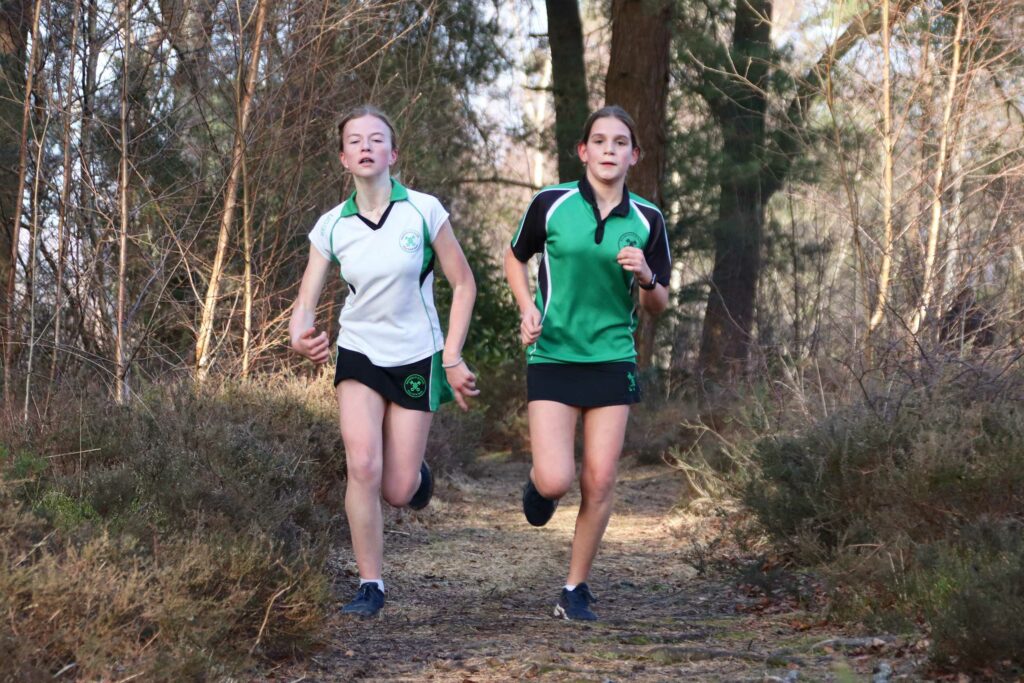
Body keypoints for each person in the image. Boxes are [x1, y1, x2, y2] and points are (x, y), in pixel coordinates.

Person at [290, 105, 478, 618]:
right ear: (343, 158)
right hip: (360, 352)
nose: (366, 146)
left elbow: (464, 283)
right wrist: (299, 336)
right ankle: (370, 584)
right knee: (363, 465)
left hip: (417, 354)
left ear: (393, 154)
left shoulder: (423, 210)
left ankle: (418, 479)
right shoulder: (331, 226)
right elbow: (306, 301)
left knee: (397, 488)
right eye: (355, 140)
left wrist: (452, 355)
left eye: (377, 139)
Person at [503, 105, 671, 621]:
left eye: (620, 143)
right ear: (583, 151)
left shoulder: (648, 220)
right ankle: (539, 486)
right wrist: (528, 307)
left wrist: (645, 274)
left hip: (612, 357)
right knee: (557, 480)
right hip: (553, 353)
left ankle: (574, 588)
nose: (608, 151)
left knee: (600, 480)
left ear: (633, 156)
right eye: (599, 141)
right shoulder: (550, 204)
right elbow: (515, 257)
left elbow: (658, 303)